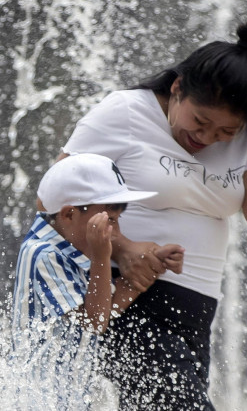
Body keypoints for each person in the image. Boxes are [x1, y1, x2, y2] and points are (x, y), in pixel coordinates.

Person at [55, 16, 247, 410]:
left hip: (195, 312)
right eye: (200, 121)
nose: (205, 138)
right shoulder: (127, 112)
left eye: (223, 133)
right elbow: (55, 198)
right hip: (129, 295)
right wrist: (122, 248)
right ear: (178, 88)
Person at [10, 152, 185, 409]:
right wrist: (103, 257)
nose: (114, 232)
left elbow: (107, 306)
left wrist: (150, 269)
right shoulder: (42, 254)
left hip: (71, 398)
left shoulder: (73, 250)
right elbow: (95, 321)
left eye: (116, 221)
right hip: (39, 400)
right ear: (69, 214)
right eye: (108, 220)